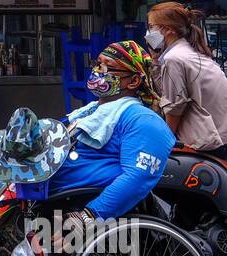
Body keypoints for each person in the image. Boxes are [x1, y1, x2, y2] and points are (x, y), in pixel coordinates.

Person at [43, 41, 175, 226]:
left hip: (74, 207)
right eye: (97, 64)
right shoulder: (89, 111)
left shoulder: (143, 121)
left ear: (134, 81)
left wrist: (89, 215)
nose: (98, 70)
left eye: (108, 67)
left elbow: (138, 177)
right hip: (44, 195)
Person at [146, 1, 227, 159]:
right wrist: (156, 60)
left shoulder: (175, 58)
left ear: (168, 30)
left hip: (217, 143)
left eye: (152, 26)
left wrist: (162, 144)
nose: (148, 32)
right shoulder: (187, 50)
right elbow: (167, 92)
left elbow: (174, 108)